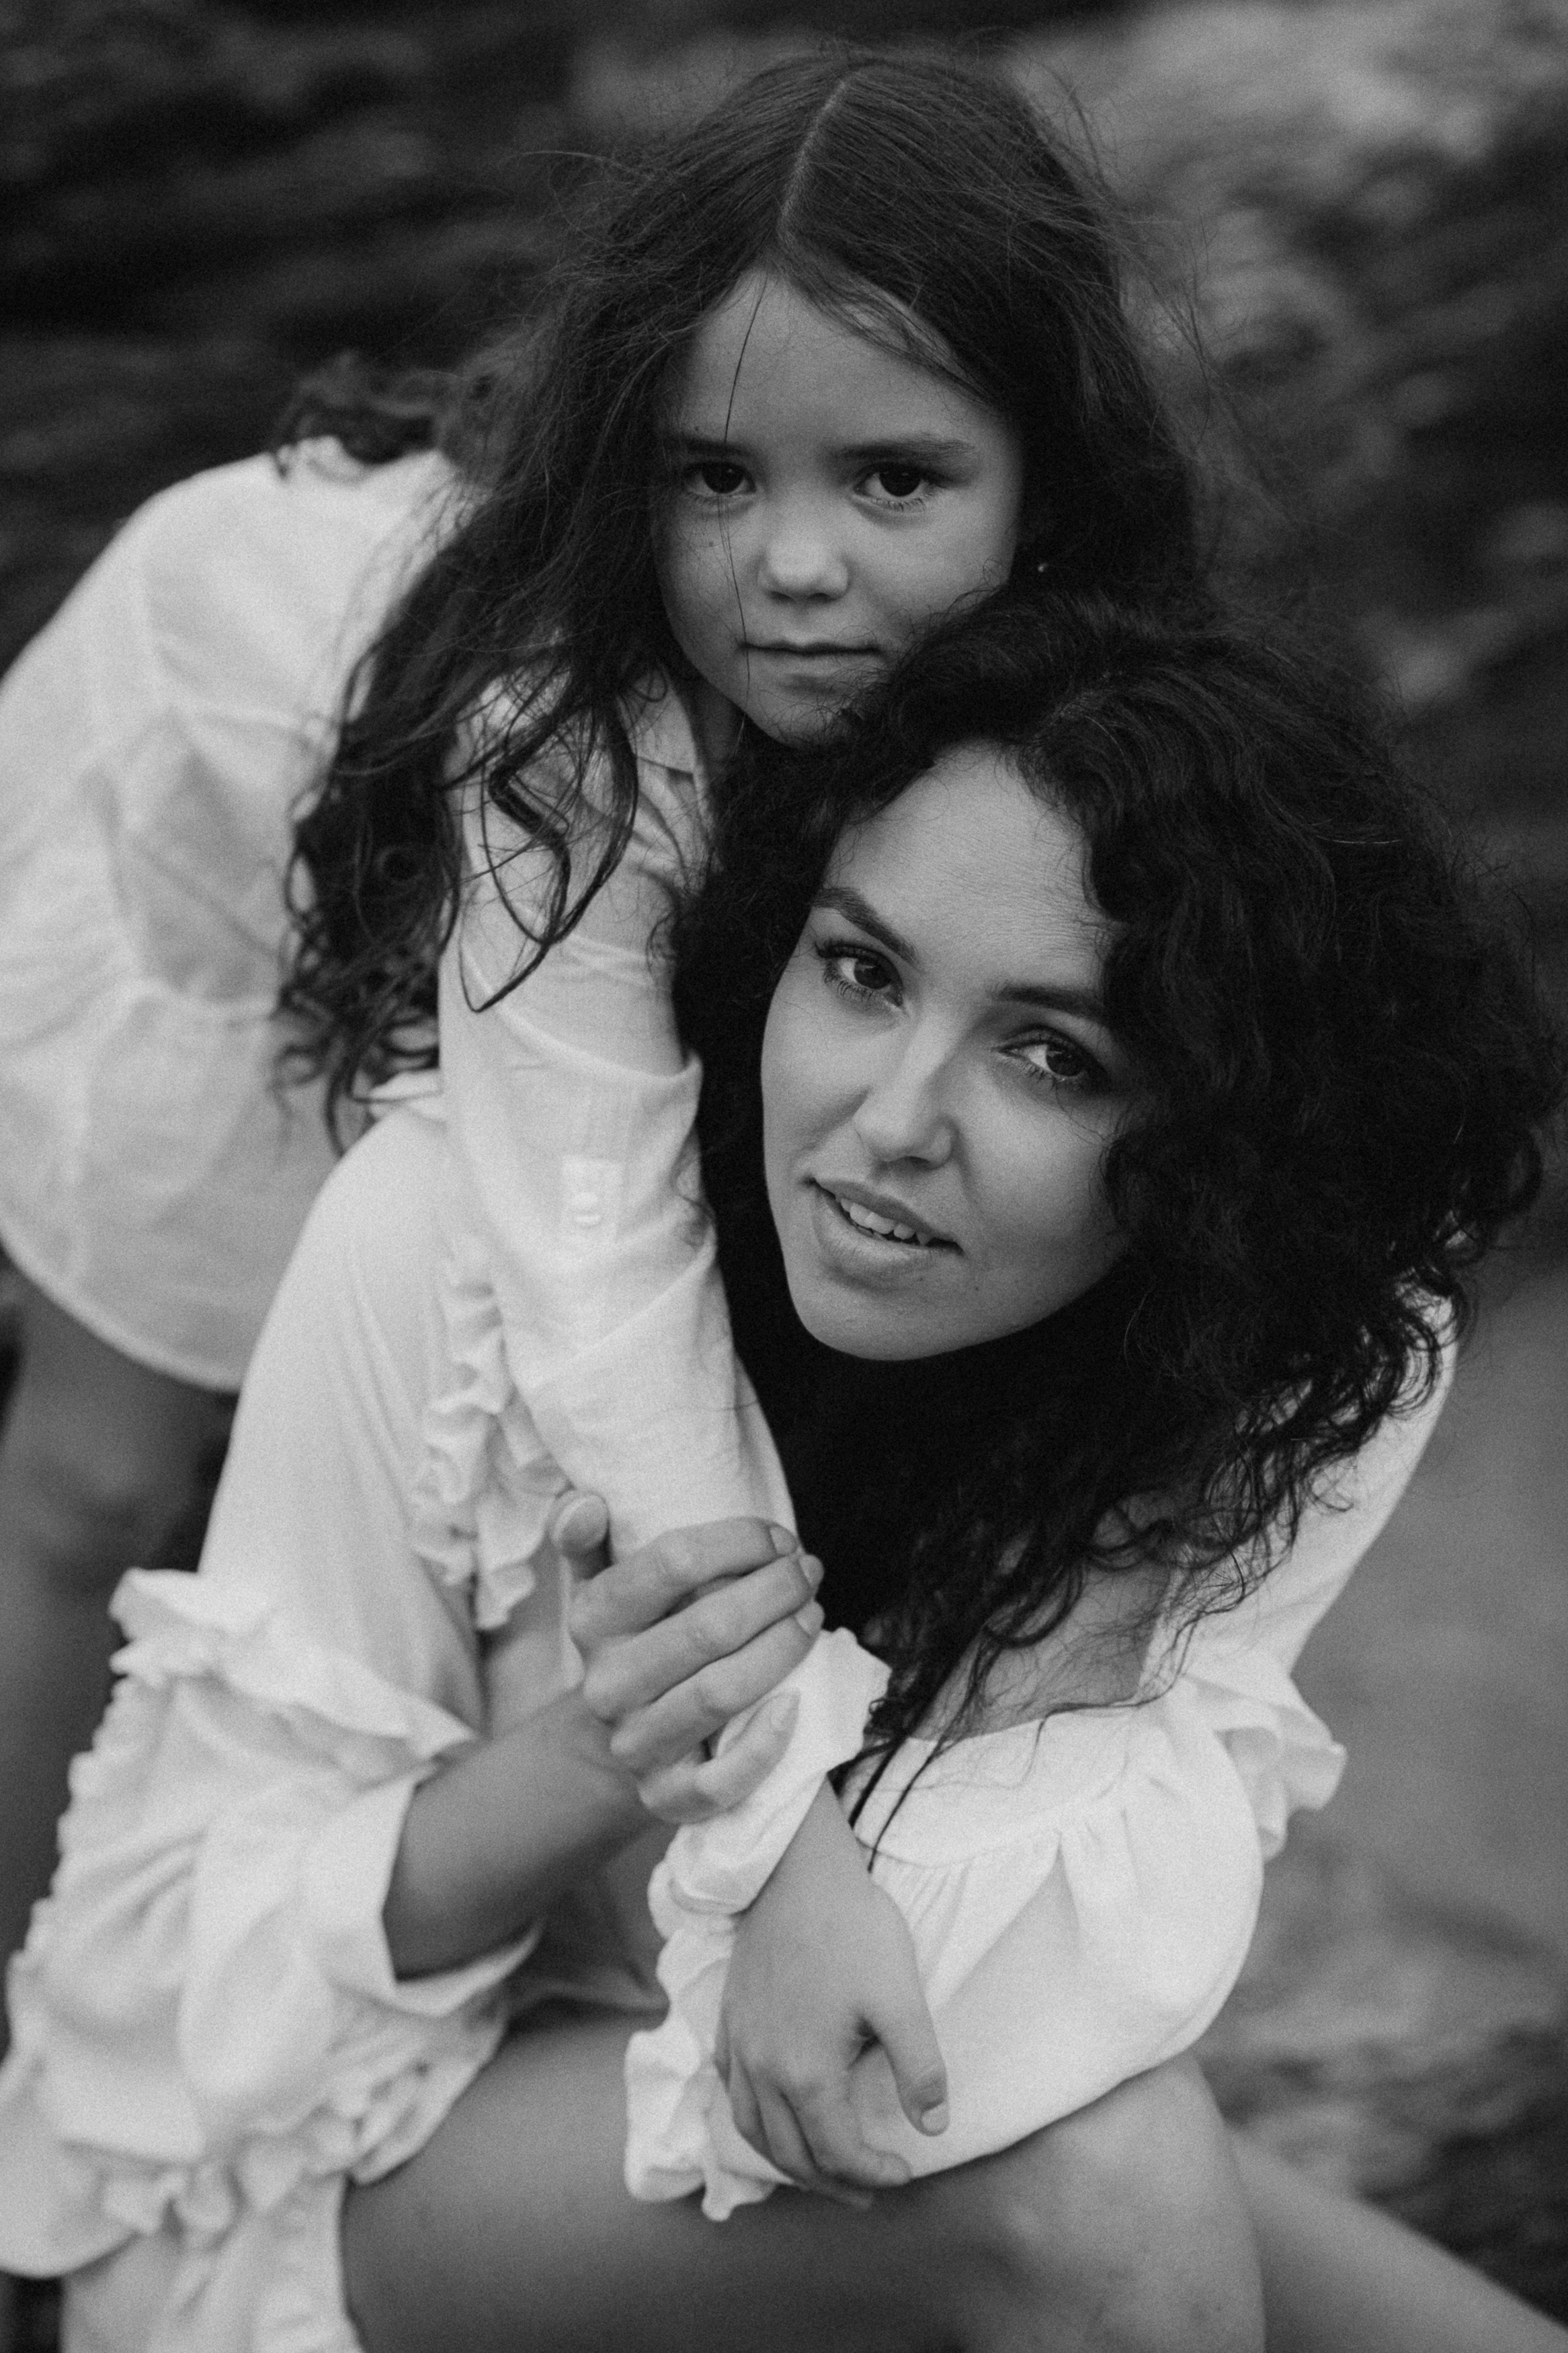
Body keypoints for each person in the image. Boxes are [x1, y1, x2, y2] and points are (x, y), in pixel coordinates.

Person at [0, 598, 1558, 2353]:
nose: (890, 1114)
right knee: (1105, 2202)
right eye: (862, 969)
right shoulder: (449, 1248)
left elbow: (973, 2005)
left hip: (802, 2096)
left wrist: (1115, 1566)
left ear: (1216, 1155)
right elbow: (173, 1975)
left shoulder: (1262, 1365)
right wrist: (613, 1748)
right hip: (316, 2167)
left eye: (1052, 1053)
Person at [0, 44, 1204, 1996]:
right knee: (100, 1479)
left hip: (477, 916)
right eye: (713, 476)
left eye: (893, 477)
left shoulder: (1089, 698)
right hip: (210, 798)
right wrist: (784, 1819)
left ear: (1050, 474)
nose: (794, 566)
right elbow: (604, 1252)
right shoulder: (570, 741)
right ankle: (36, 2040)